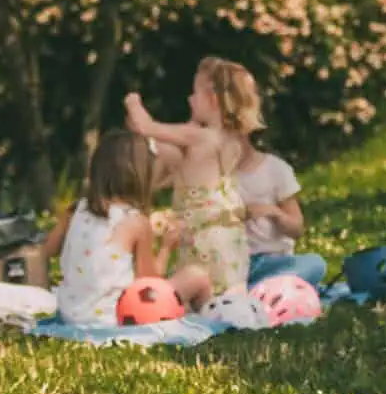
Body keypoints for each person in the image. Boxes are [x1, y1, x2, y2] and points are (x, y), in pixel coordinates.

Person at [43, 130, 212, 326]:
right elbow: (149, 283)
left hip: (70, 315)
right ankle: (208, 319)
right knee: (196, 276)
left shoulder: (74, 210)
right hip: (117, 317)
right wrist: (166, 248)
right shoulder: (136, 222)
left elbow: (47, 250)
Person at [124, 57, 259, 295]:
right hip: (230, 238)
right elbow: (185, 165)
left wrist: (133, 102)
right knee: (221, 294)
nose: (189, 99)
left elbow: (145, 126)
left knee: (188, 289)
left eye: (194, 93)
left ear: (213, 100)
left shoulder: (201, 138)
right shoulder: (232, 140)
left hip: (205, 239)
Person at [235, 143, 327, 286]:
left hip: (276, 262)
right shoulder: (215, 173)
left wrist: (274, 212)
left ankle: (262, 290)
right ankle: (272, 290)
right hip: (237, 266)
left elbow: (297, 229)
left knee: (315, 263)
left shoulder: (275, 169)